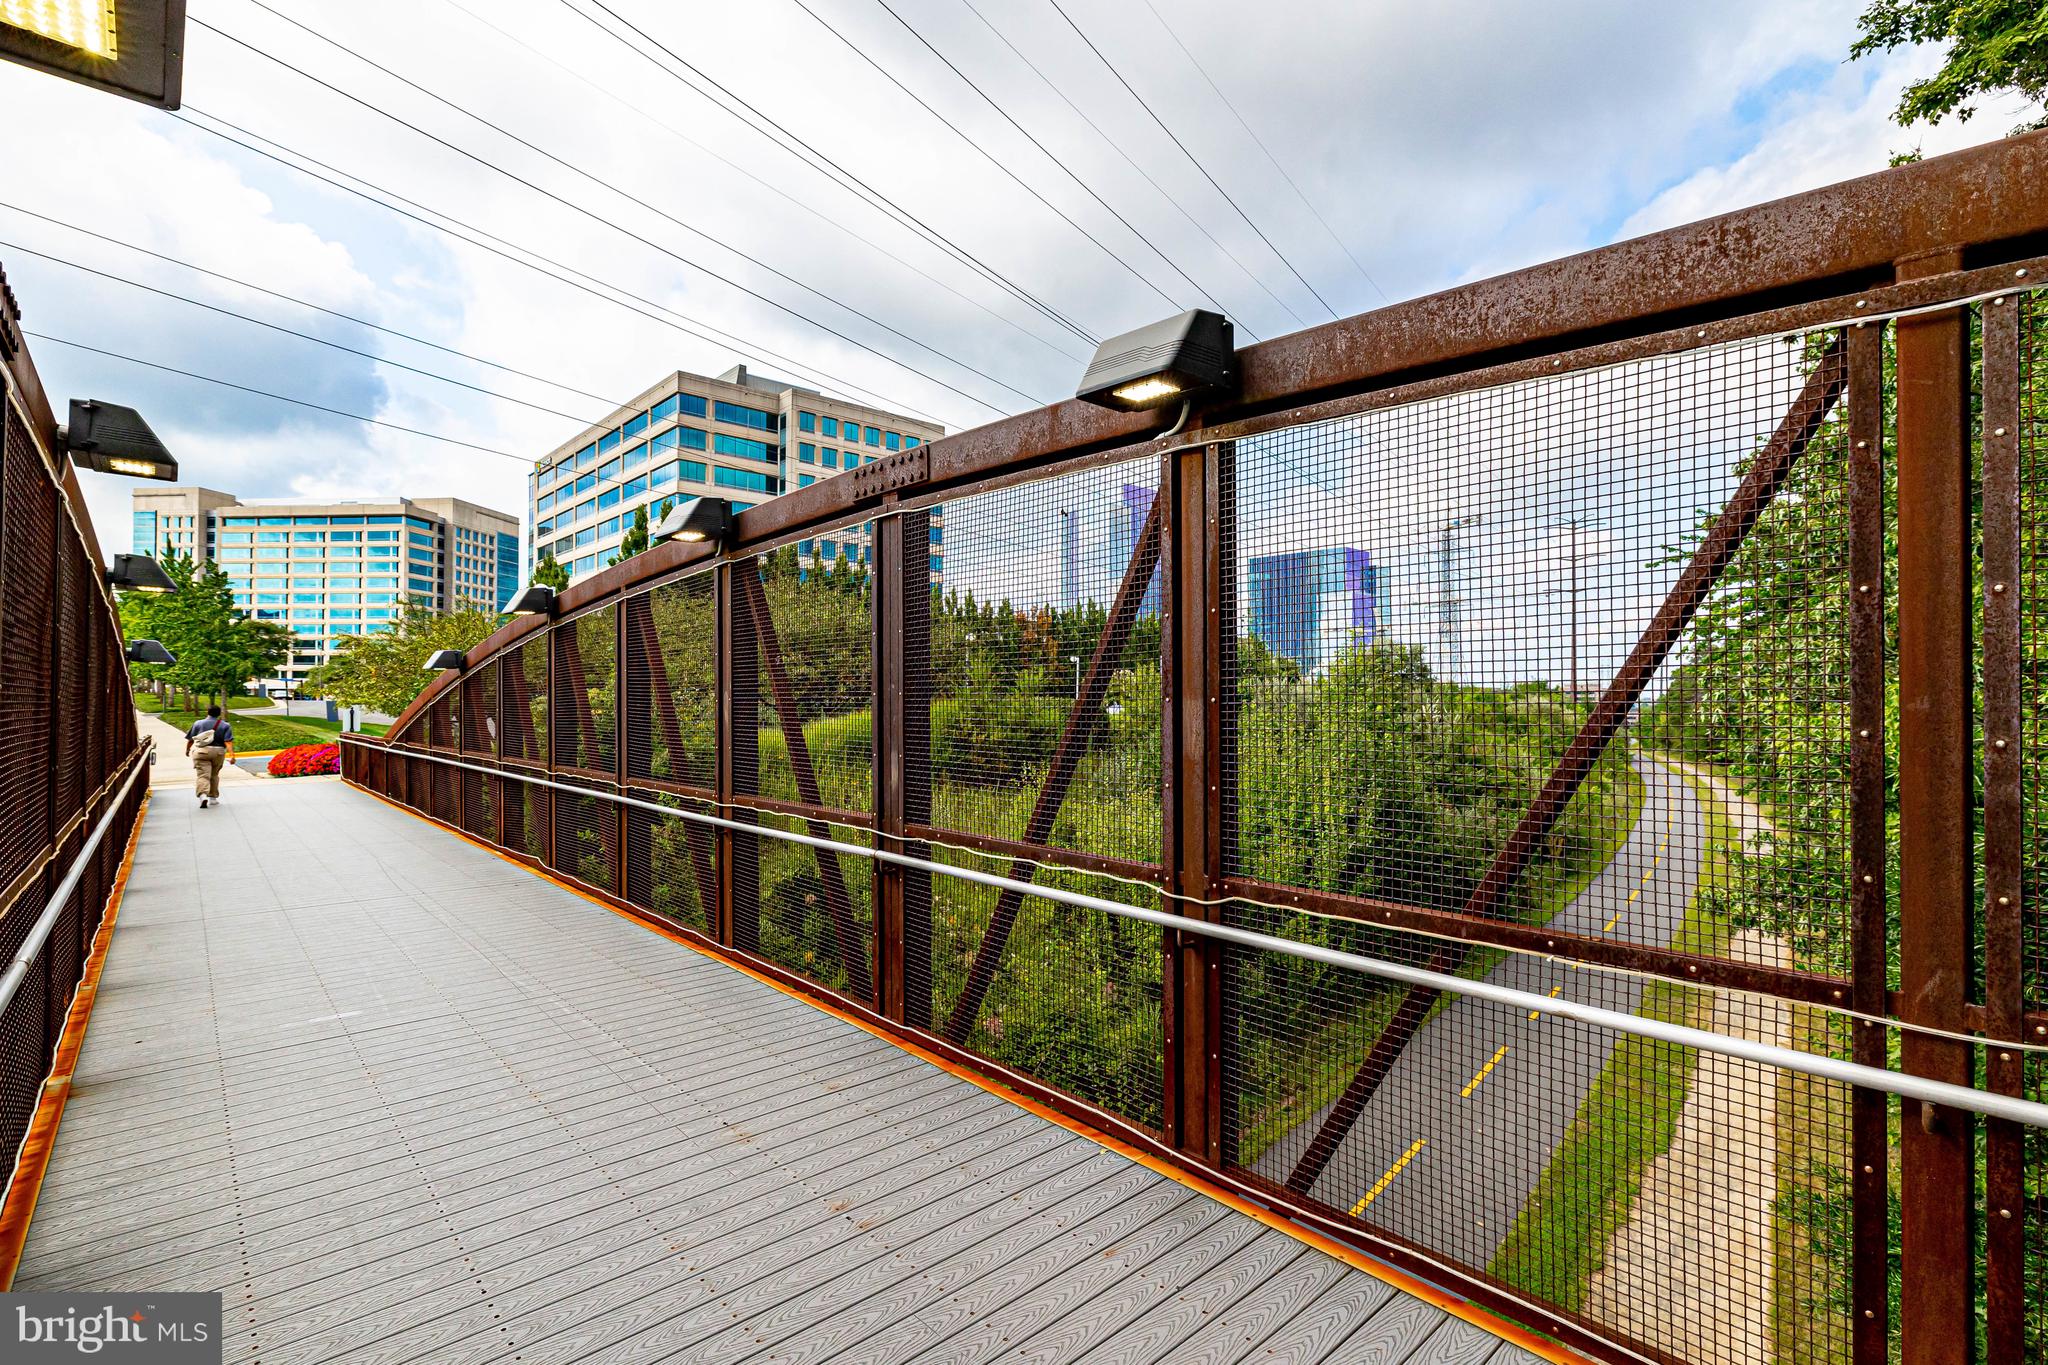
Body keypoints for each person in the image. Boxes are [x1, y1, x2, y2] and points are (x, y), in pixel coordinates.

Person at [185, 705, 235, 809]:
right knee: (214, 775)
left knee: (203, 775)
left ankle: (203, 795)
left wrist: (188, 749)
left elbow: (191, 739)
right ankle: (213, 798)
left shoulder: (198, 723)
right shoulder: (225, 725)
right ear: (219, 713)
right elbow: (228, 741)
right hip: (218, 752)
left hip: (201, 752)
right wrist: (232, 755)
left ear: (207, 712)